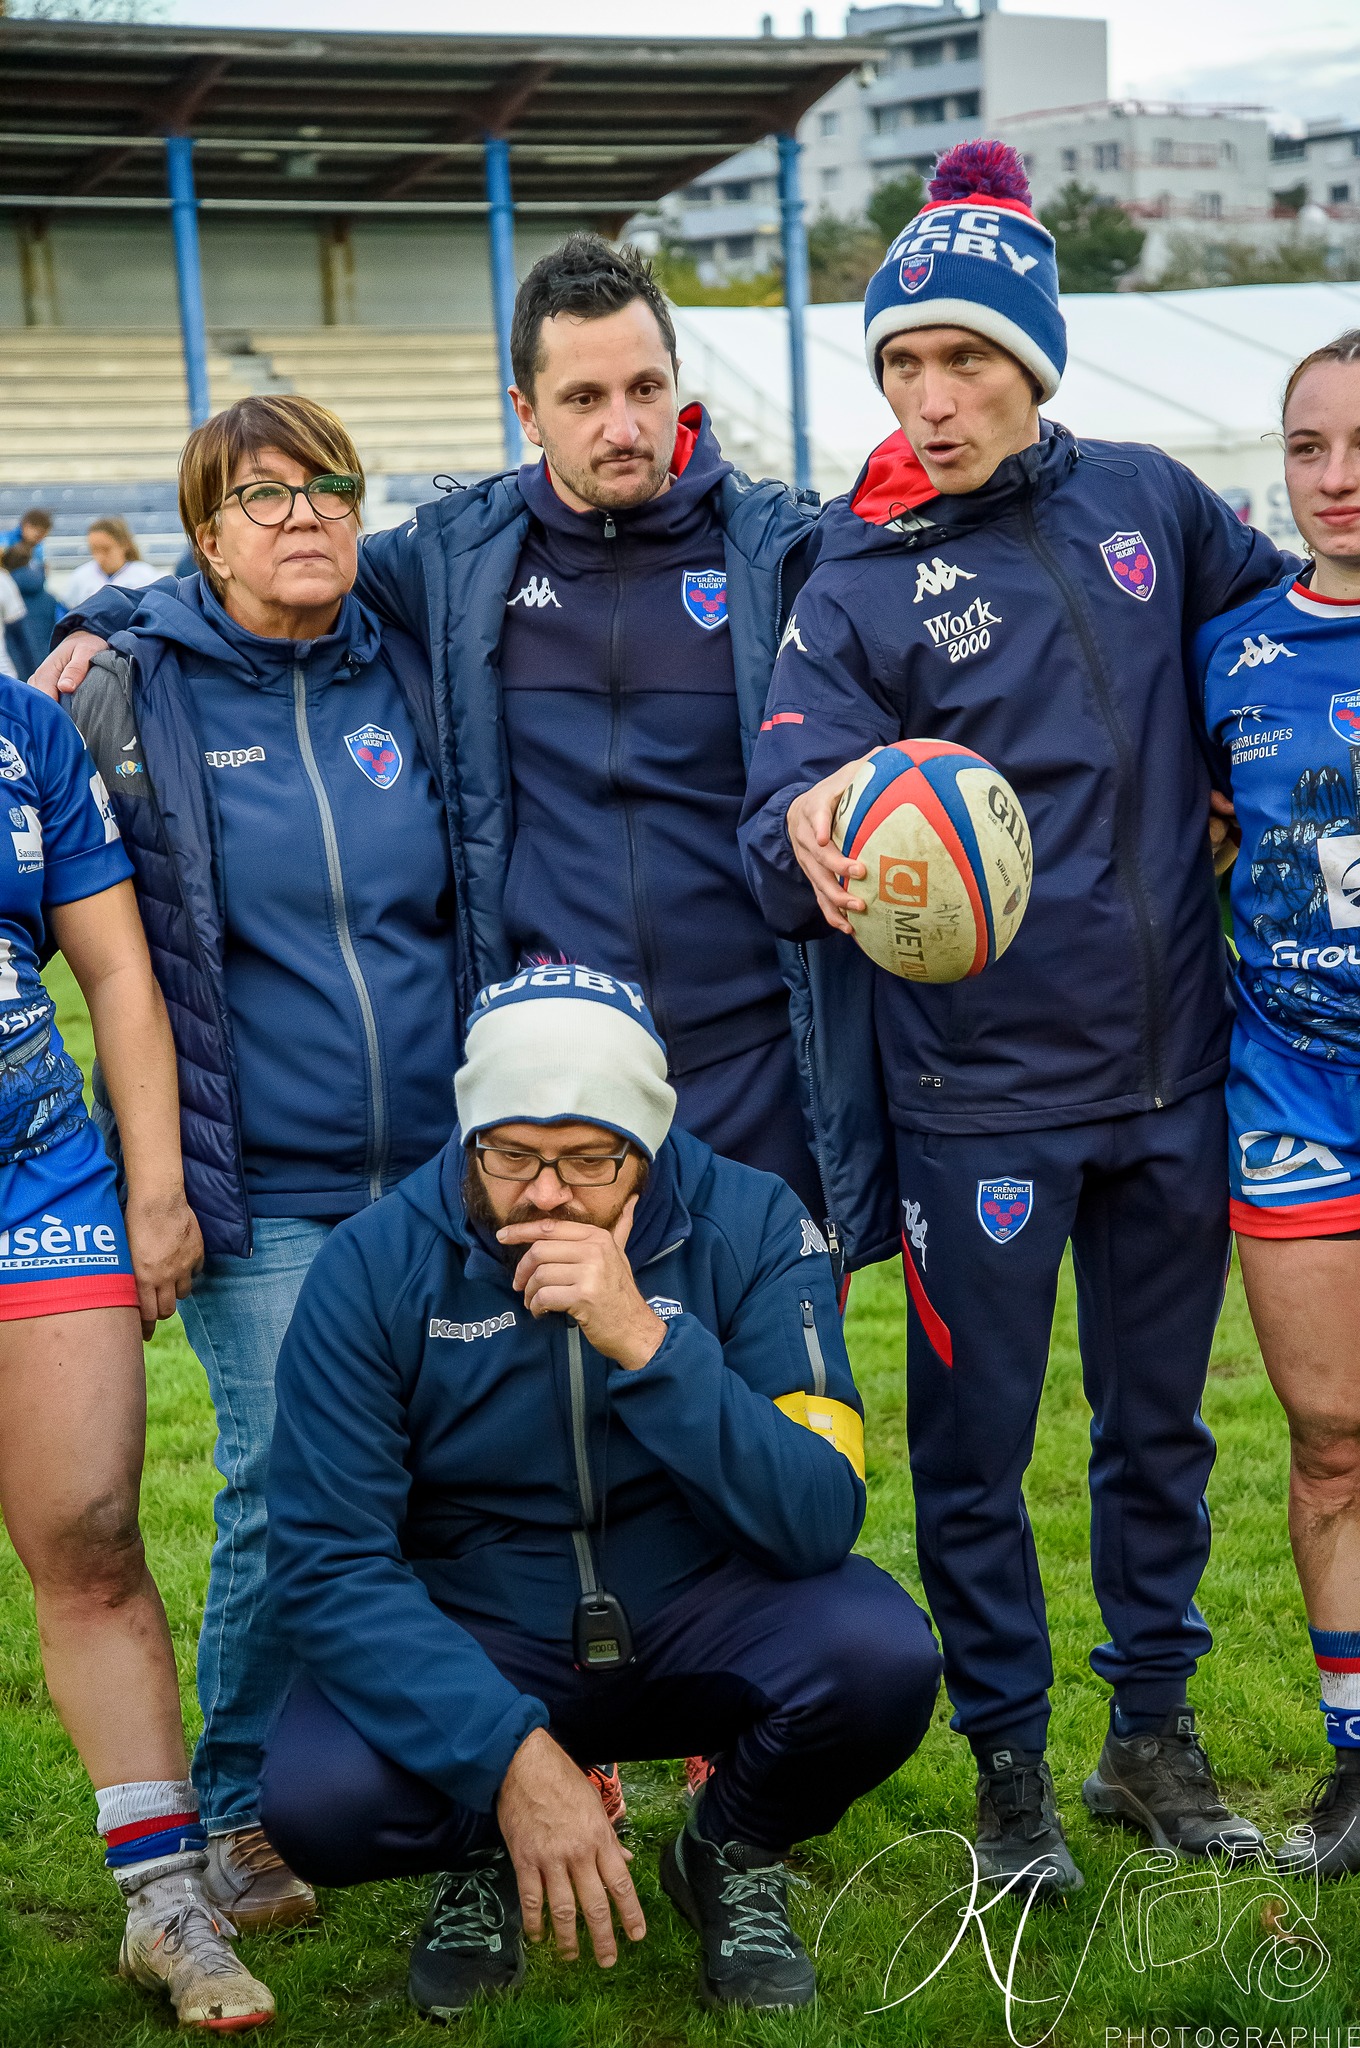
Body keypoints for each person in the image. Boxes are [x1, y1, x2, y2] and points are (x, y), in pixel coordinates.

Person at [739, 140, 1292, 1897]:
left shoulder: (1147, 502)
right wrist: (811, 829)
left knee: (1160, 1432)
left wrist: (1235, 775)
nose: (930, 392)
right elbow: (779, 807)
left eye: (963, 357)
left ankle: (1148, 1739)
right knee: (974, 1453)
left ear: (1030, 363)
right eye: (901, 362)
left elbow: (1277, 648)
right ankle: (1007, 1779)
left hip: (1169, 1075)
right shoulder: (851, 574)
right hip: (976, 1099)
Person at [37, 233, 826, 1228]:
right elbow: (266, 565)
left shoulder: (775, 552)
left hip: (756, 1062)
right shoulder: (458, 559)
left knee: (777, 1378)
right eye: (584, 399)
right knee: (572, 1376)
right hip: (553, 1074)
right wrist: (95, 618)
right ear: (525, 412)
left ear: (678, 386)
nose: (622, 426)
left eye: (645, 387)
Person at [258, 964, 941, 2019]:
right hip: (484, 1624)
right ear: (470, 1133)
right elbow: (324, 1562)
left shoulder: (754, 1222)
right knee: (320, 1796)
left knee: (881, 1656)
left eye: (587, 1159)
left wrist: (649, 1342)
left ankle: (727, 1846)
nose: (543, 1192)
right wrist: (508, 1759)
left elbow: (816, 1514)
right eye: (512, 1154)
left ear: (648, 1143)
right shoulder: (371, 1264)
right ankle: (484, 1848)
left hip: (699, 1603)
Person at [35, 395, 469, 1934]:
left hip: (437, 1171)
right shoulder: (127, 689)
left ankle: (446, 1775)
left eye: (328, 491)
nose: (304, 518)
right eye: (262, 498)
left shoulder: (410, 664)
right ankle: (234, 1807)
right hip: (258, 1181)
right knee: (292, 1482)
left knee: (449, 1480)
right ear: (203, 533)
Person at [0, 668, 271, 2027]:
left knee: (94, 1529)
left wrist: (152, 1184)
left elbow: (114, 966)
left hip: (37, 1184)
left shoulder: (24, 727)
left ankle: (167, 1906)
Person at [1195, 328, 1360, 1881]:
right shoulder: (1232, 650)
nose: (1334, 478)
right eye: (1308, 448)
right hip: (1292, 1088)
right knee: (1329, 1444)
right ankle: (1357, 1768)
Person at [2, 507, 58, 679]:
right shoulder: (5, 541)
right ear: (26, 526)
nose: (39, 538)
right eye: (38, 533)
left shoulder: (38, 549)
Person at [61, 515, 161, 611]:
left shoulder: (146, 575)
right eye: (94, 550)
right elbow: (66, 613)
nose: (99, 557)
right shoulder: (80, 576)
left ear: (124, 545)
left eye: (106, 549)